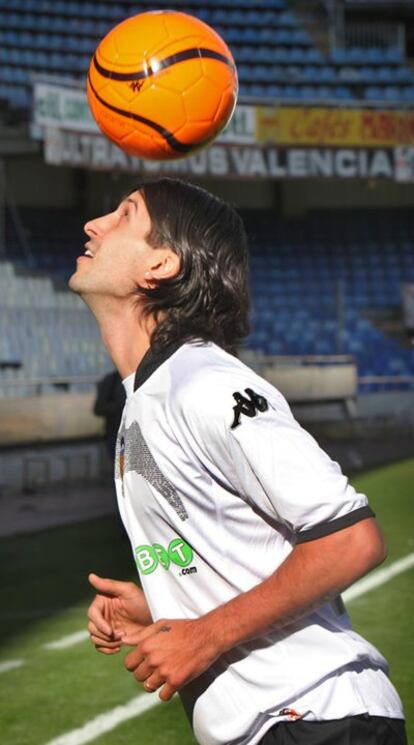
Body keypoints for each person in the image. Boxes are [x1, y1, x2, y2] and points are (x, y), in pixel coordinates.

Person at [69, 178, 406, 745]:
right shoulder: (146, 398)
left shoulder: (203, 382)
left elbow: (351, 539)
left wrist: (204, 635)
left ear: (162, 264)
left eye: (124, 214)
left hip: (315, 719)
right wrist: (165, 603)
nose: (93, 224)